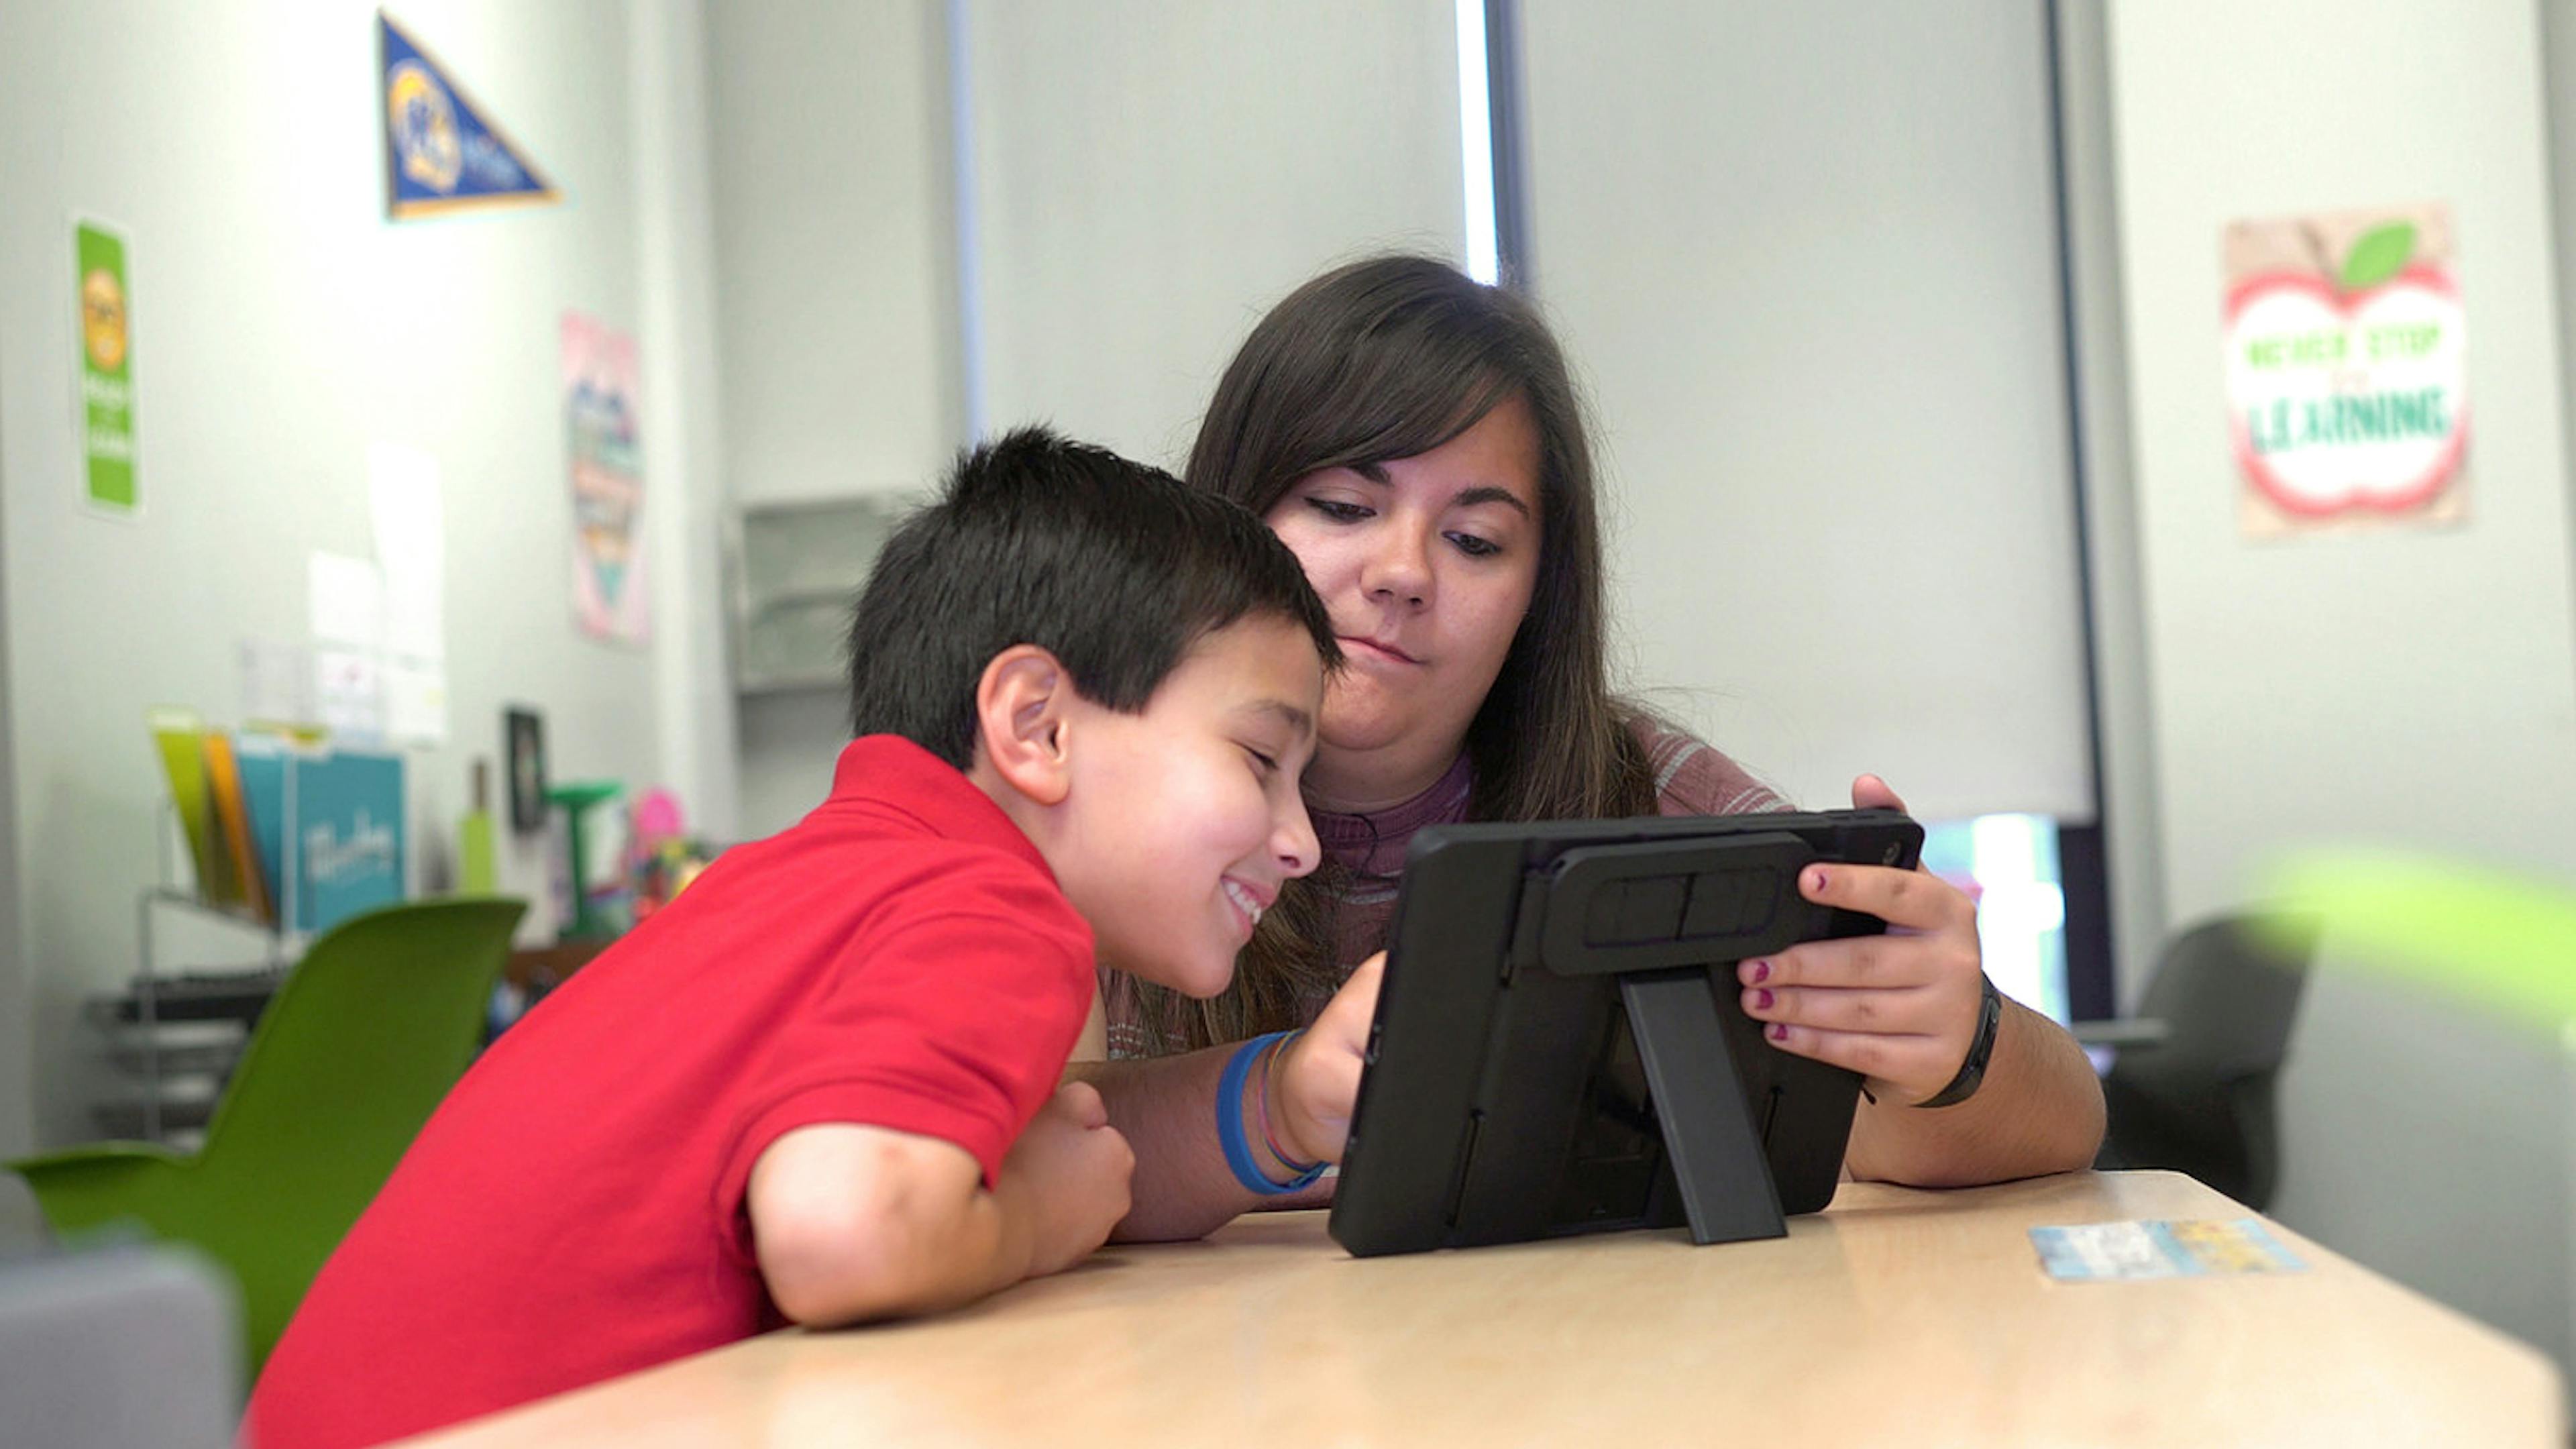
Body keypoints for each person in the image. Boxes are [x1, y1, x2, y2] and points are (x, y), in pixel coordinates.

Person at [246, 429, 1338, 1447]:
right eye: (1259, 761)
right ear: (1036, 726)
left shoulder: (813, 879)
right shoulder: (989, 907)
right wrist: (1037, 1219)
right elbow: (841, 1233)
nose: (1301, 845)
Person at [1079, 256, 2107, 1240]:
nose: (1402, 572)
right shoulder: (1085, 795)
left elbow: (2045, 1128)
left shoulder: (1643, 797)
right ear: (1228, 513)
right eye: (1345, 507)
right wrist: (1273, 1104)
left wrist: (1953, 1046)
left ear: (1538, 596)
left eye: (1475, 540)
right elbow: (1003, 1157)